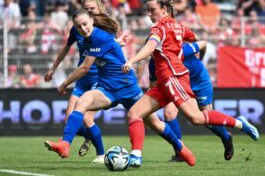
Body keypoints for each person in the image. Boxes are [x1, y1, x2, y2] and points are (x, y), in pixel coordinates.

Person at [122, 0, 259, 167]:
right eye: (147, 10)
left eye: (152, 10)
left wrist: (131, 60)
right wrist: (182, 49)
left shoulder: (159, 27)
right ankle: (136, 156)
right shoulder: (178, 26)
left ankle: (239, 123)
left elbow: (150, 46)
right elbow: (192, 37)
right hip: (166, 81)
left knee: (196, 118)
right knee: (134, 113)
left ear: (164, 9)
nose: (149, 14)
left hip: (174, 77)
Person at [44, 9, 196, 167]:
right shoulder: (89, 39)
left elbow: (85, 68)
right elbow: (108, 47)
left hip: (127, 87)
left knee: (155, 124)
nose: (83, 28)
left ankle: (181, 148)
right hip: (107, 88)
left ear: (92, 21)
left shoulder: (99, 37)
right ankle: (65, 144)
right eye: (79, 26)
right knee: (82, 102)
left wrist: (63, 84)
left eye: (85, 24)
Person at [44, 0, 106, 163]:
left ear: (98, 8)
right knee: (70, 121)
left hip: (99, 78)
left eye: (91, 8)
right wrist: (53, 68)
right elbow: (65, 48)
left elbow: (111, 46)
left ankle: (101, 155)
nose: (88, 10)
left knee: (86, 118)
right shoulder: (78, 28)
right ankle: (87, 139)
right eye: (85, 8)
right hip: (82, 79)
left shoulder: (103, 29)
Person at [149, 41, 234, 161]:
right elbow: (152, 87)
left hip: (199, 81)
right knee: (169, 113)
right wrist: (148, 113)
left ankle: (226, 137)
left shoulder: (182, 49)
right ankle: (180, 153)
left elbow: (204, 43)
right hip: (179, 84)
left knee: (206, 118)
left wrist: (200, 58)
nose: (150, 54)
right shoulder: (153, 63)